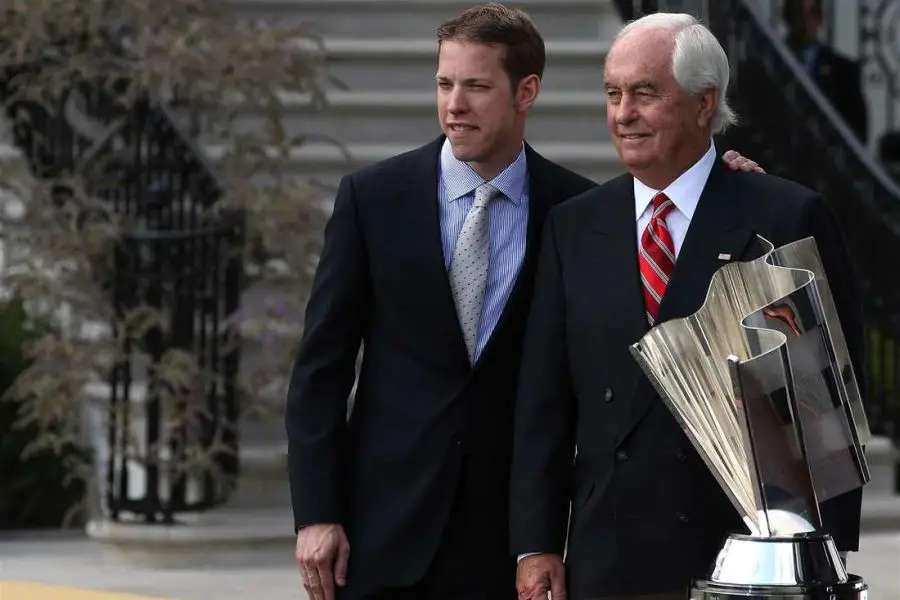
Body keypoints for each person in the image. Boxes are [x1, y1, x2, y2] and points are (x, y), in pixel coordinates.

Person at [285, 4, 764, 600]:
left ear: (526, 91)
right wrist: (316, 512)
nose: (454, 104)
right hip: (380, 533)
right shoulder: (373, 199)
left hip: (505, 545)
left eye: (477, 86)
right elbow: (320, 373)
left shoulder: (580, 216)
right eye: (444, 84)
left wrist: (733, 183)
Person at [509, 12, 865, 600]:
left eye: (645, 93)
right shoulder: (573, 227)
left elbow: (830, 410)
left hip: (742, 561)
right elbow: (542, 404)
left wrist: (825, 556)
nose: (622, 114)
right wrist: (537, 544)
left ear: (705, 104)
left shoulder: (784, 218)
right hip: (608, 556)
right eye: (613, 94)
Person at [783, 0, 868, 143]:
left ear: (821, 19)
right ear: (787, 17)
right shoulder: (769, 62)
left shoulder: (844, 71)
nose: (805, 22)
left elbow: (857, 132)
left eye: (812, 14)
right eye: (798, 13)